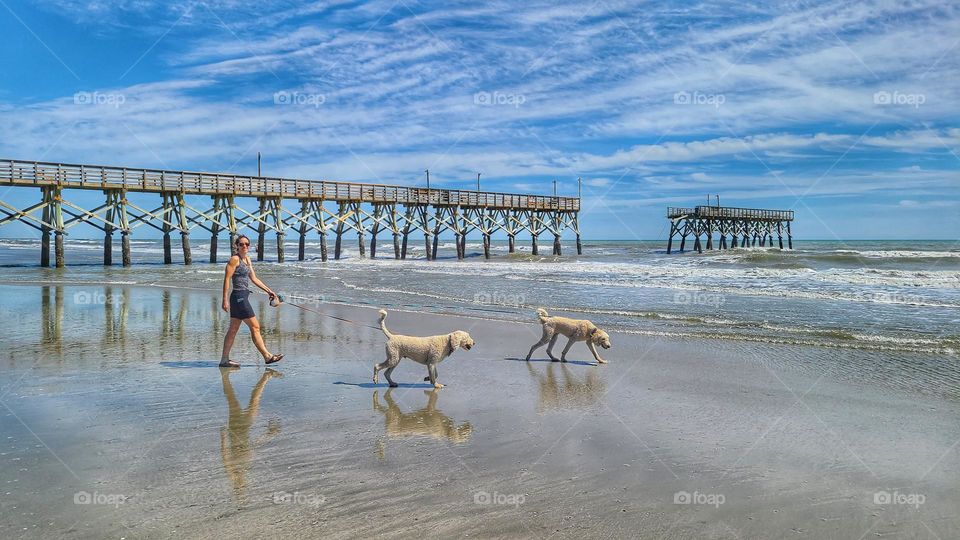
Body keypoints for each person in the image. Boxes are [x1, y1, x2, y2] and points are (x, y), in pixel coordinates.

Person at [219, 235, 284, 367]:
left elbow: (254, 278)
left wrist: (269, 290)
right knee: (255, 326)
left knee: (233, 330)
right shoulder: (234, 260)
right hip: (238, 297)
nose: (245, 246)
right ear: (236, 245)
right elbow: (226, 280)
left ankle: (224, 360)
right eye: (242, 244)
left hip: (242, 296)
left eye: (247, 244)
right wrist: (224, 300)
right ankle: (267, 356)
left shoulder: (247, 259)